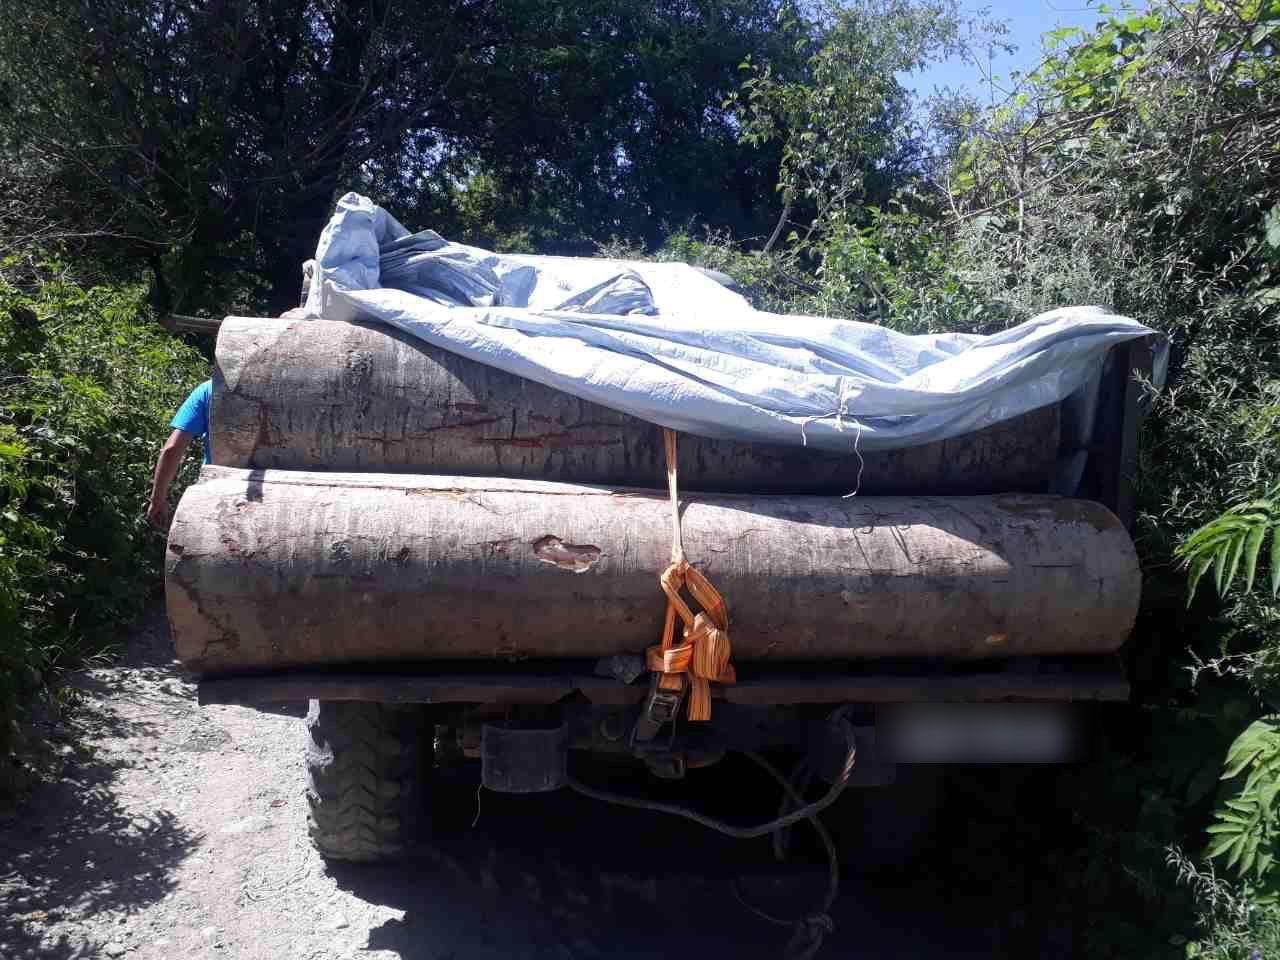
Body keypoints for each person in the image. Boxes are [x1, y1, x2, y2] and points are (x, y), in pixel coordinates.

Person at [147, 379, 212, 530]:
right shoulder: (271, 389)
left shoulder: (209, 389)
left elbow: (172, 448)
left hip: (215, 494)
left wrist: (157, 500)